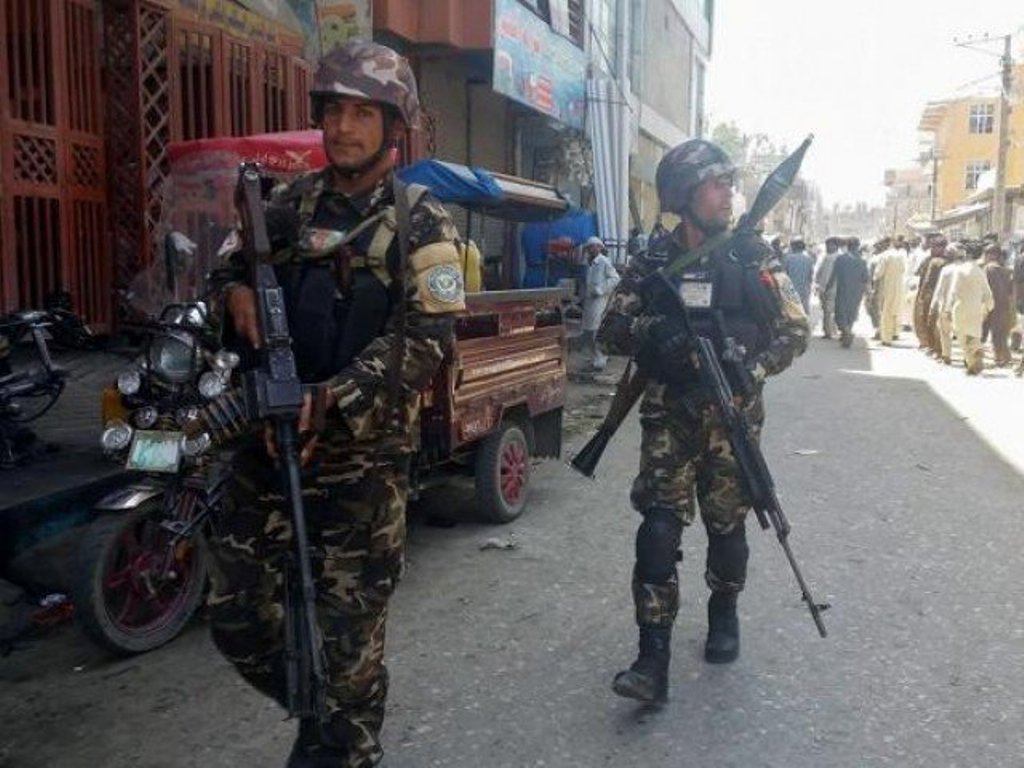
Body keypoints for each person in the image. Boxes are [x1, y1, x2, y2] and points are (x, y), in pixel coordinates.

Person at [210, 41, 465, 768]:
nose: (344, 128)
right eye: (335, 111)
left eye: (363, 114)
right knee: (234, 612)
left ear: (393, 126)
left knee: (349, 632)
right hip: (268, 438)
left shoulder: (423, 222)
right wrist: (233, 289)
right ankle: (316, 710)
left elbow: (428, 338)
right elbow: (226, 266)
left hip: (362, 460)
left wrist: (334, 397)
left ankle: (343, 744)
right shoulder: (286, 206)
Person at [596, 139, 808, 703]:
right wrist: (653, 334)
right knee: (658, 531)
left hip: (732, 421)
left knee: (727, 527)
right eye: (717, 185)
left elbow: (795, 331)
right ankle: (652, 659)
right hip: (670, 419)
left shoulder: (752, 255)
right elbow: (610, 331)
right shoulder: (651, 262)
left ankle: (724, 609)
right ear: (685, 194)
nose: (728, 195)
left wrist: (750, 373)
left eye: (729, 185)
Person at [949, 248, 994, 375]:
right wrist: (988, 308)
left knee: (962, 336)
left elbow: (953, 291)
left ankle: (973, 358)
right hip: (976, 309)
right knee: (974, 335)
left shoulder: (960, 270)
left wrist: (948, 307)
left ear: (967, 255)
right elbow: (987, 293)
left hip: (961, 307)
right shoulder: (980, 272)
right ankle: (975, 354)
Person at [581, 235, 620, 370]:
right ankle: (597, 356)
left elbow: (615, 278)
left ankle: (600, 360)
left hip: (599, 301)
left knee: (595, 331)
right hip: (589, 301)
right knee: (588, 331)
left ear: (599, 248)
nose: (590, 250)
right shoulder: (590, 263)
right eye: (589, 248)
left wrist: (600, 290)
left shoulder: (604, 261)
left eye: (593, 247)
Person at [827, 237, 870, 348]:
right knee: (852, 313)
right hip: (856, 292)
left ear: (847, 246)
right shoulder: (862, 261)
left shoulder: (841, 259)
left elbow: (833, 275)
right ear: (858, 246)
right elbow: (866, 279)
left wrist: (828, 288)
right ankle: (847, 332)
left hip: (842, 291)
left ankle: (846, 332)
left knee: (840, 314)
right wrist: (868, 293)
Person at [914, 236, 949, 353]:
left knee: (932, 321)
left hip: (932, 294)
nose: (933, 249)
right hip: (929, 293)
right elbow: (919, 273)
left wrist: (923, 294)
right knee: (924, 319)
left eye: (936, 247)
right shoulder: (928, 259)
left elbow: (928, 280)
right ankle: (928, 343)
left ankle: (934, 346)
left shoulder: (940, 261)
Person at [929, 243, 963, 365]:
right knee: (961, 332)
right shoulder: (965, 269)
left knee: (945, 332)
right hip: (961, 305)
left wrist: (933, 305)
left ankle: (946, 356)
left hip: (946, 305)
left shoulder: (946, 270)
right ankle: (966, 357)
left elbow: (939, 289)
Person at [982, 244, 1014, 367]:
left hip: (991, 304)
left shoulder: (988, 268)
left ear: (992, 255)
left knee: (989, 332)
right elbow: (1011, 289)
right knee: (1001, 333)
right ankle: (1004, 357)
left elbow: (986, 288)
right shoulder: (1006, 270)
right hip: (1005, 305)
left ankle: (1000, 358)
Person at [874, 236, 907, 345]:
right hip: (899, 287)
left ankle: (886, 339)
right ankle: (894, 333)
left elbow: (878, 273)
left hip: (887, 287)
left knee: (886, 312)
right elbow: (904, 270)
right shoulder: (901, 255)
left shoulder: (885, 256)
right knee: (895, 311)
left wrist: (874, 284)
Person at [814, 236, 840, 339]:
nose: (828, 247)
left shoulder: (835, 258)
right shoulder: (825, 257)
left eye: (831, 245)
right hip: (825, 288)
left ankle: (829, 331)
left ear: (836, 246)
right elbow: (818, 272)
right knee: (827, 310)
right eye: (827, 245)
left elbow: (819, 272)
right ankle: (829, 330)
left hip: (832, 288)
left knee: (829, 311)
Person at [782, 237, 814, 314]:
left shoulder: (788, 259)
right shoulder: (809, 259)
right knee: (804, 310)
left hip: (791, 290)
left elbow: (784, 275)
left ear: (793, 247)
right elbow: (810, 276)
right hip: (804, 290)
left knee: (793, 311)